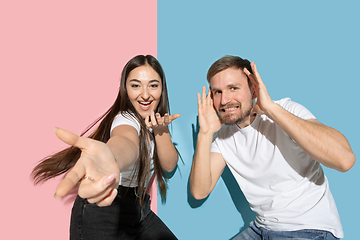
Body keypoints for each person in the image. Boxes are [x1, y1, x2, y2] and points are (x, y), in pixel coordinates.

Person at [190, 55, 355, 239]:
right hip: (261, 228)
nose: (224, 100)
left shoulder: (286, 110)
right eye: (217, 92)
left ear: (253, 90)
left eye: (233, 88)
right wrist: (204, 134)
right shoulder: (223, 137)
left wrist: (270, 109)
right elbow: (199, 191)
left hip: (309, 228)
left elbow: (345, 160)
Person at [32, 55, 180, 240]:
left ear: (162, 89)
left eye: (153, 85)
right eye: (135, 85)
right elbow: (126, 143)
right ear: (125, 89)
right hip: (103, 209)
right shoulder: (126, 119)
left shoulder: (153, 126)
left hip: (138, 209)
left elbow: (169, 165)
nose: (145, 94)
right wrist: (111, 157)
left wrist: (161, 130)